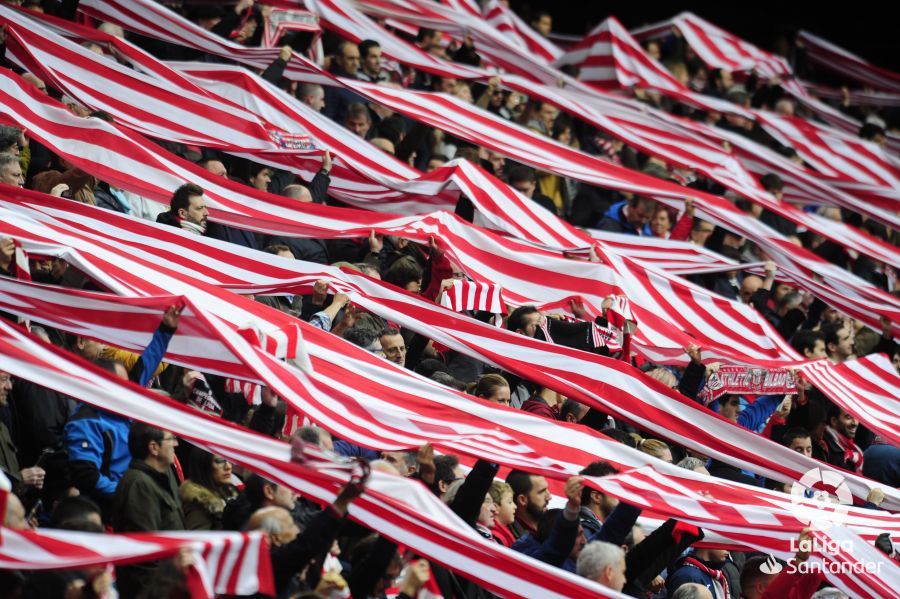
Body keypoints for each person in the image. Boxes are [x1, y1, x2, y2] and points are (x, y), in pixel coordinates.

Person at [247, 478, 366, 597]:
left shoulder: (294, 576)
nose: (297, 529)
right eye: (290, 526)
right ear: (275, 538)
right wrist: (341, 502)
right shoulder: (270, 568)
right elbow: (307, 544)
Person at [111, 422, 185, 597]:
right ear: (154, 448)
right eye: (171, 439)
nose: (176, 444)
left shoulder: (163, 475)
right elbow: (145, 557)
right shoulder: (139, 485)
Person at [179, 447, 238, 530]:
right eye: (220, 461)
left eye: (230, 460)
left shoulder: (227, 491)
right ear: (203, 465)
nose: (228, 467)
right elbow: (198, 536)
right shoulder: (197, 502)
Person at [667, 548, 732, 599]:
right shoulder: (688, 576)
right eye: (722, 542)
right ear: (708, 541)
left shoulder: (713, 573)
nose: (728, 549)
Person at [505, 469, 550, 540]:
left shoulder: (553, 527)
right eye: (542, 492)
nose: (549, 497)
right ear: (522, 500)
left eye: (547, 489)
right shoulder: (507, 538)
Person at [823, 406, 863, 472]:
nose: (855, 423)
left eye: (856, 417)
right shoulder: (824, 446)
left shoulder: (856, 450)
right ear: (834, 421)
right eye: (848, 417)